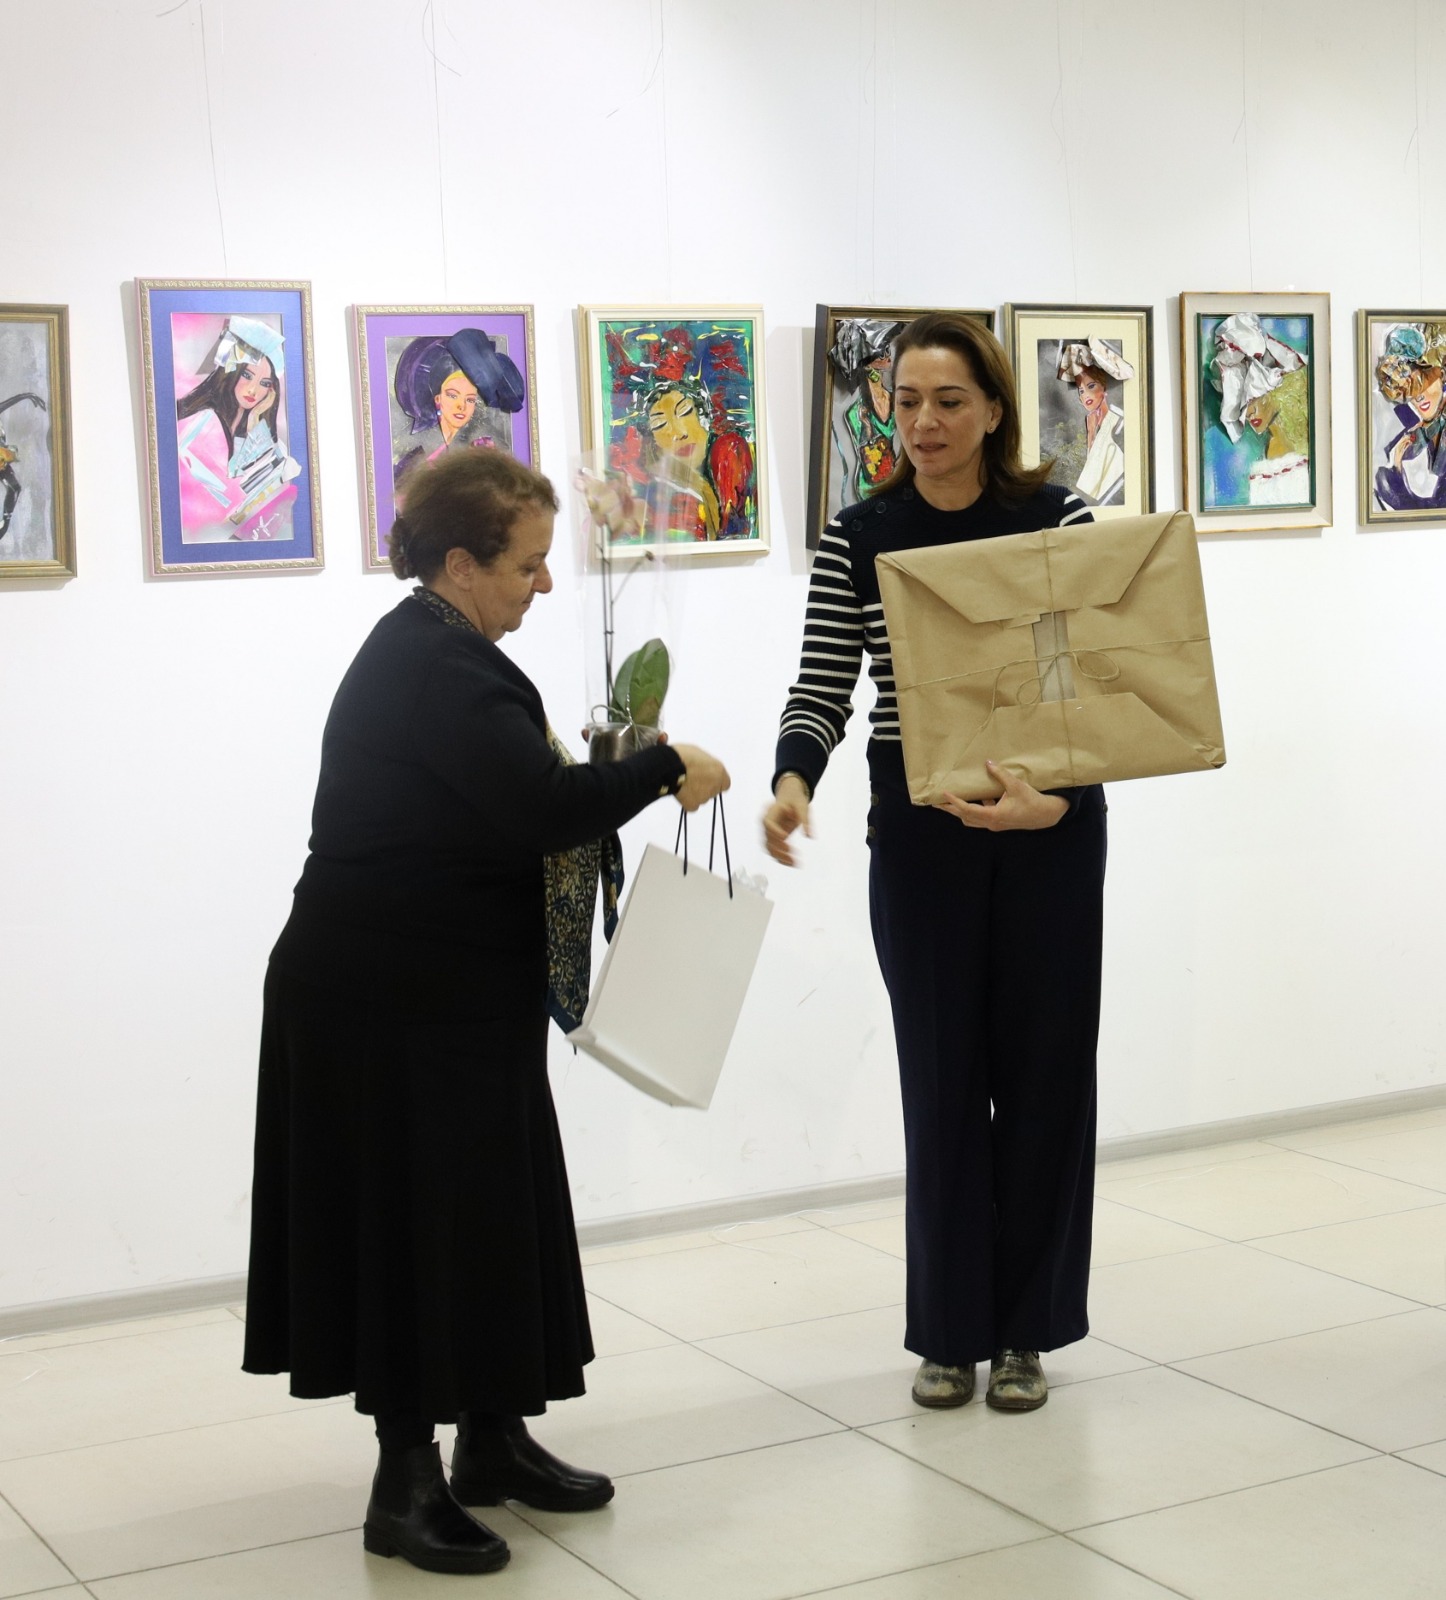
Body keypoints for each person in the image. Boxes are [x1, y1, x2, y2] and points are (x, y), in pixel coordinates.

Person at [242, 448, 729, 1576]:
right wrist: (662, 770)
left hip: (449, 994)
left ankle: (493, 1440)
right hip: (382, 1003)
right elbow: (535, 806)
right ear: (459, 563)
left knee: (488, 1216)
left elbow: (505, 793)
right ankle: (403, 1486)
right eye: (527, 564)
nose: (544, 584)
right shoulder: (433, 664)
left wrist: (625, 764)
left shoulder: (448, 652)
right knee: (415, 1230)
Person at [763, 312, 1104, 1415]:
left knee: (1046, 1079)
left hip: (1050, 823)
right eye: (907, 401)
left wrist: (1055, 801)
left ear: (994, 409)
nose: (924, 422)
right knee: (944, 1080)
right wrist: (792, 779)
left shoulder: (1058, 519)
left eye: (949, 401)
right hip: (921, 832)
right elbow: (823, 682)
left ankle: (1027, 1332)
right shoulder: (859, 534)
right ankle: (951, 1335)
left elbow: (1099, 677)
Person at [175, 315, 300, 541]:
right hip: (202, 532)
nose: (253, 390)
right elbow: (227, 493)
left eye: (264, 383)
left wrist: (255, 419)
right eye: (247, 375)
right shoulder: (206, 421)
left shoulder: (245, 422)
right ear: (231, 371)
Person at [391, 327, 526, 493]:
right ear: (437, 398)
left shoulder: (484, 448)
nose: (461, 406)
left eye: (470, 399)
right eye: (452, 395)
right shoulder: (416, 458)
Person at [1372, 321, 1446, 511]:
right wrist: (1395, 463)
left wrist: (1394, 476)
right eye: (1409, 389)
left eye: (1425, 382)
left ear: (1442, 375)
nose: (1418, 396)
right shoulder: (1414, 436)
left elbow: (1435, 509)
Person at [1055, 337, 1133, 506]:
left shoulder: (1117, 420)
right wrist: (1091, 433)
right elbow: (1093, 465)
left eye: (1091, 386)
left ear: (1103, 387)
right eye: (1081, 391)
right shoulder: (1090, 421)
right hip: (1093, 495)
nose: (1086, 396)